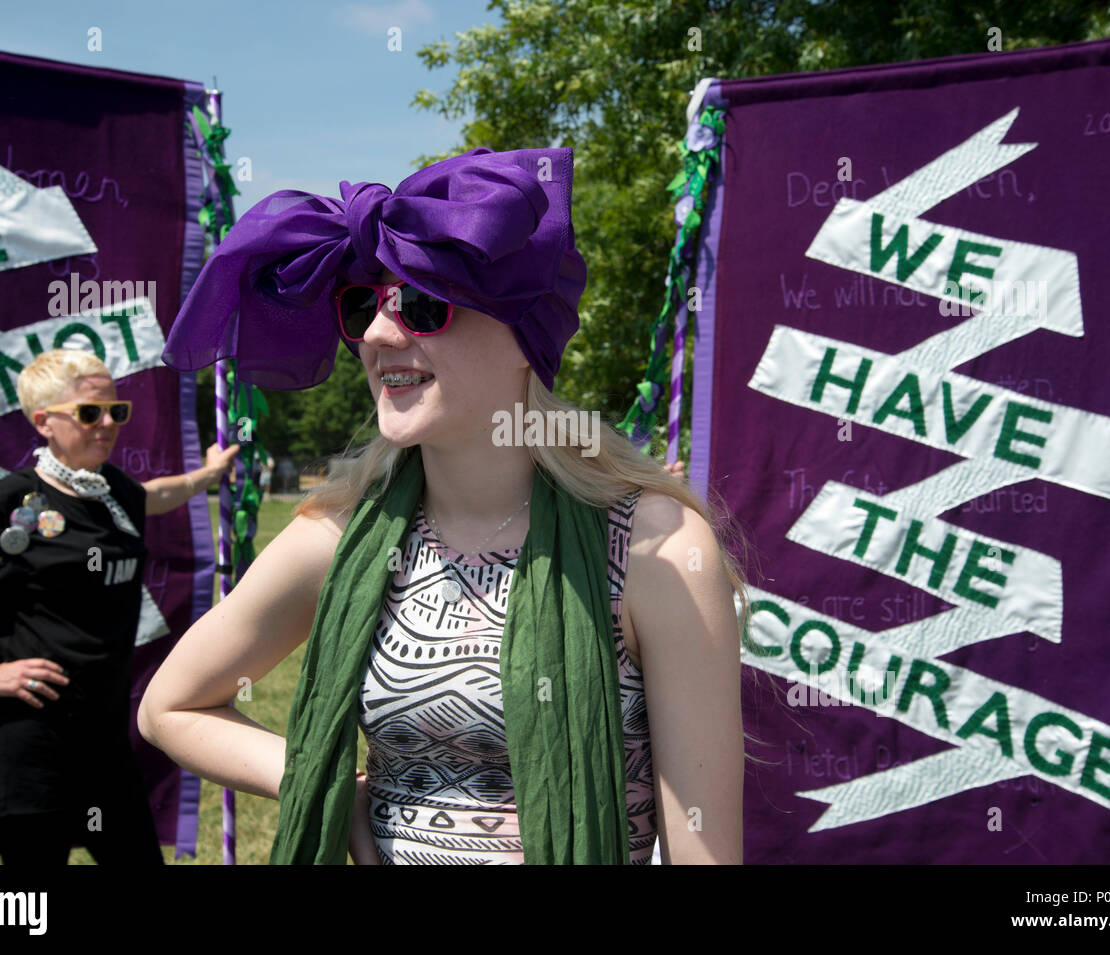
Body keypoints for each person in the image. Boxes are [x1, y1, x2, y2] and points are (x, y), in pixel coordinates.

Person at [139, 146, 747, 864]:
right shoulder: (339, 536)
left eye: (423, 305)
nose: (376, 333)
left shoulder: (657, 548)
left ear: (526, 338)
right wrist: (336, 784)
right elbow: (168, 705)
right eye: (363, 303)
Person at [0, 348, 239, 864]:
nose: (107, 424)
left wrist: (206, 475)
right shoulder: (11, 500)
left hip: (103, 744)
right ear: (44, 423)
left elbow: (156, 495)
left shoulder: (112, 492)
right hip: (30, 747)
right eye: (89, 413)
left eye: (116, 411)